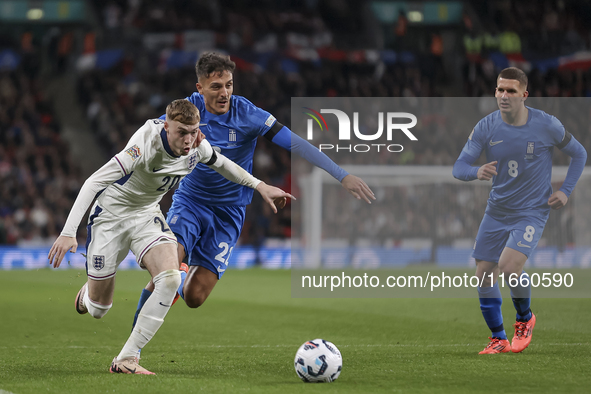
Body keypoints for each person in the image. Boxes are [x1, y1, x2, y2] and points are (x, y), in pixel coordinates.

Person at [131, 53, 375, 335]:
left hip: (229, 213)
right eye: (216, 87)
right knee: (167, 270)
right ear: (199, 88)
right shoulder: (189, 111)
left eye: (229, 85)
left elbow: (296, 144)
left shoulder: (249, 115)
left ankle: (181, 277)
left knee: (195, 296)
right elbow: (151, 133)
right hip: (191, 202)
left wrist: (341, 175)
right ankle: (131, 348)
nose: (224, 93)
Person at [48, 99, 293, 374]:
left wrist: (260, 186)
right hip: (111, 218)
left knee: (171, 277)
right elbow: (93, 182)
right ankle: (89, 295)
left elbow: (222, 164)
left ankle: (127, 358)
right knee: (99, 309)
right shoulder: (143, 145)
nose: (189, 140)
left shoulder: (197, 145)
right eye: (181, 133)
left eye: (193, 132)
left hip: (146, 215)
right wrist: (69, 233)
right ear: (166, 127)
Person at [452, 67, 587, 354]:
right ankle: (498, 339)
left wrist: (565, 190)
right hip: (497, 210)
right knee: (484, 274)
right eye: (500, 89)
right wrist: (477, 171)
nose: (503, 95)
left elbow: (579, 154)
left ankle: (525, 319)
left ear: (524, 94)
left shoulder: (547, 125)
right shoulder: (486, 126)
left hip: (532, 211)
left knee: (510, 267)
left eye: (510, 90)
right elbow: (459, 167)